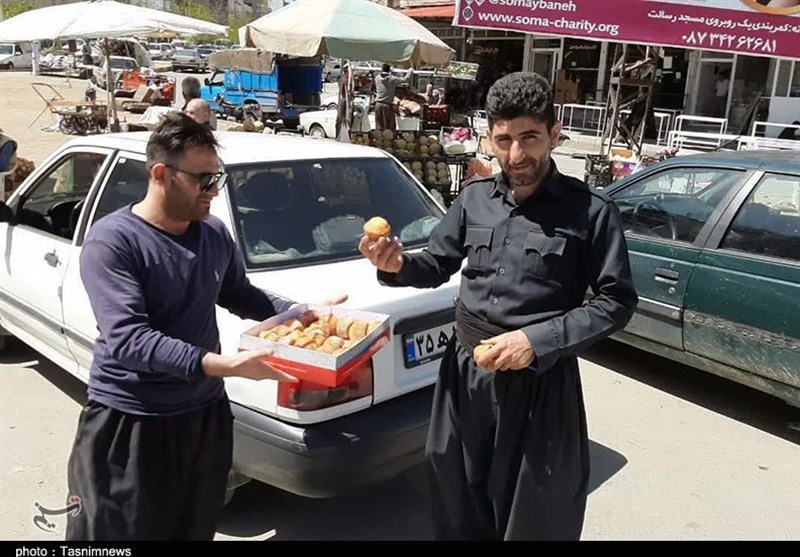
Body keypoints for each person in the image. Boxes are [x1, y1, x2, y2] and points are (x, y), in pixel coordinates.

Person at [358, 72, 638, 541]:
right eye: (503, 139)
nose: (515, 155)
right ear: (489, 138)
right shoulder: (474, 199)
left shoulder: (591, 211)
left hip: (540, 385)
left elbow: (616, 302)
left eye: (529, 137)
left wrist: (536, 340)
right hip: (464, 375)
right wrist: (395, 264)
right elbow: (435, 263)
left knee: (534, 516)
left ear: (554, 133)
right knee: (456, 498)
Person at [65, 112, 345, 540]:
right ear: (160, 174)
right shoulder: (114, 242)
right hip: (133, 420)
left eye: (219, 179)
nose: (214, 191)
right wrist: (224, 365)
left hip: (203, 417)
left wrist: (299, 312)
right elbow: (128, 340)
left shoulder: (212, 233)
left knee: (191, 528)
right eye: (204, 180)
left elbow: (238, 292)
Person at [374, 63, 414, 131]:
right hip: (387, 105)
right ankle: (389, 140)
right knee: (390, 126)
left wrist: (390, 71)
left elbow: (384, 77)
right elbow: (405, 80)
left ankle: (379, 140)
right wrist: (410, 70)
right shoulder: (391, 79)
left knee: (379, 126)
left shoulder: (377, 78)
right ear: (389, 70)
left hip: (378, 104)